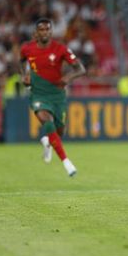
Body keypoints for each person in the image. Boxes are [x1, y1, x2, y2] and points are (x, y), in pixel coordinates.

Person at [19, 18, 86, 176]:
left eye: (47, 29)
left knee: (59, 131)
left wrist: (68, 78)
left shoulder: (60, 49)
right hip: (38, 93)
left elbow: (81, 68)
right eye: (41, 29)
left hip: (57, 94)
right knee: (46, 121)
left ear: (51, 31)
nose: (45, 32)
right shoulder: (27, 49)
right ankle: (67, 162)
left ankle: (48, 142)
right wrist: (24, 75)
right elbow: (21, 61)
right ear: (36, 32)